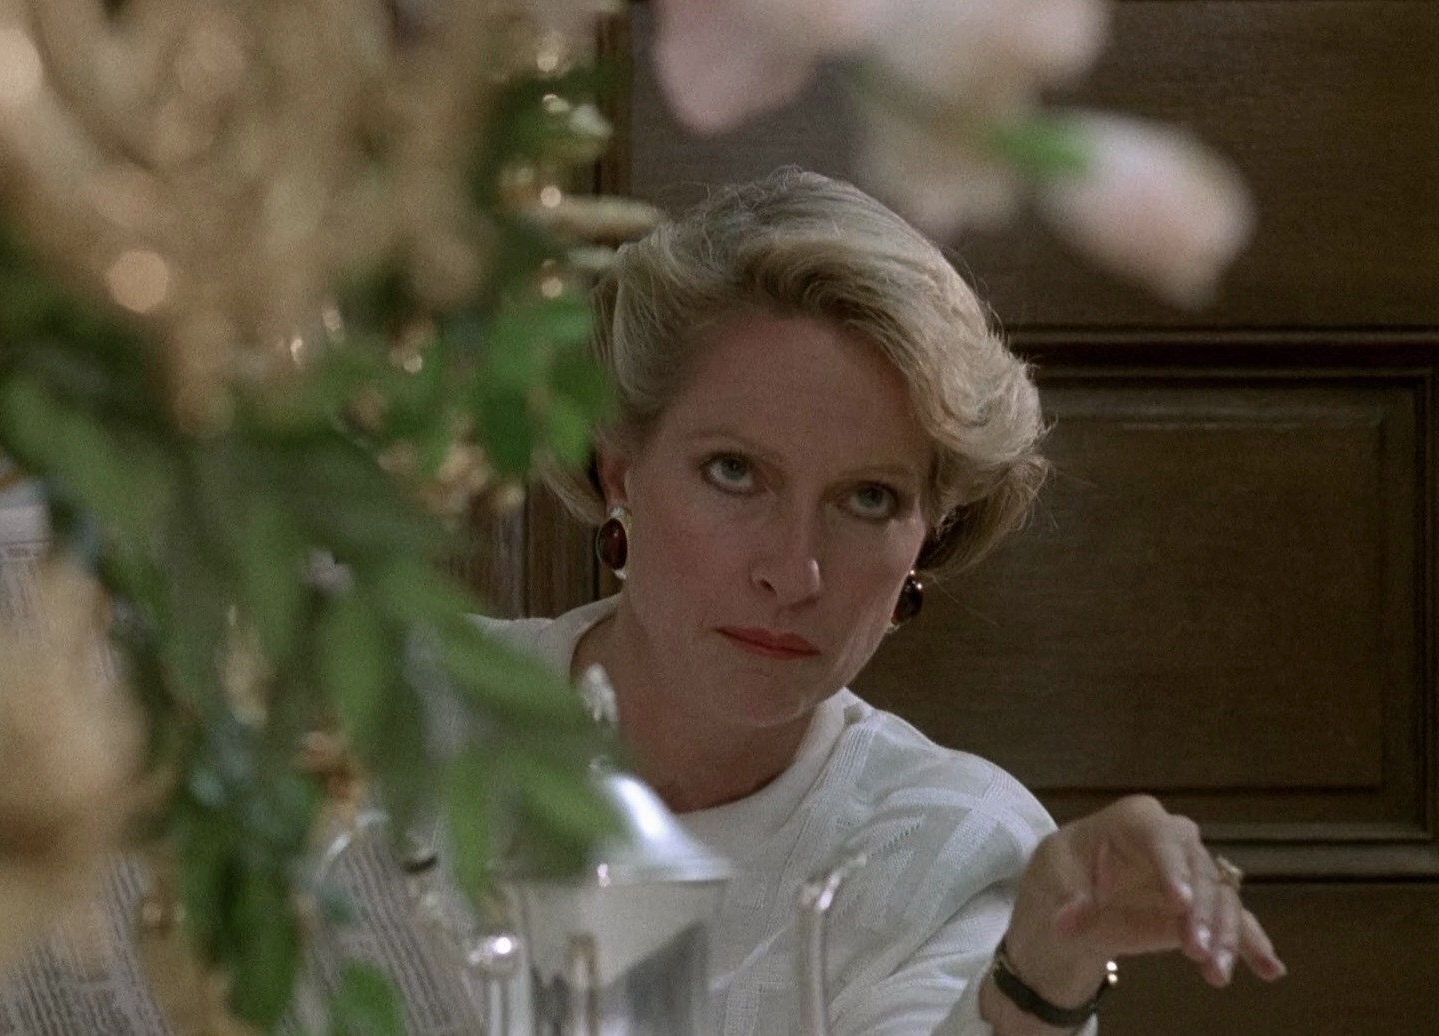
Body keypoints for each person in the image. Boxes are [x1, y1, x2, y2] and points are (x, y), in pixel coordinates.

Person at [473, 167, 1287, 1036]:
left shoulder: (949, 848)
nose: (796, 572)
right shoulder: (397, 716)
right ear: (619, 471)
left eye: (868, 499)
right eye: (735, 472)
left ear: (928, 536)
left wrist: (1037, 987)